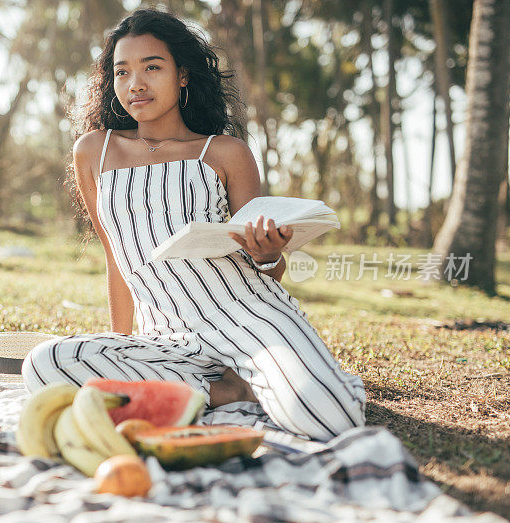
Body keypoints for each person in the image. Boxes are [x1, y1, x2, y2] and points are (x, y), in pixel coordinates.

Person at [22, 8, 365, 441]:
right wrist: (120, 346)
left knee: (333, 419)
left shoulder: (224, 153)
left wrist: (268, 253)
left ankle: (279, 377)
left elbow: (268, 270)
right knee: (45, 364)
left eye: (152, 67)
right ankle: (229, 391)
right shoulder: (94, 151)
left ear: (183, 75)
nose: (136, 84)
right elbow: (116, 256)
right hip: (166, 342)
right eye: (122, 71)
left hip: (252, 318)